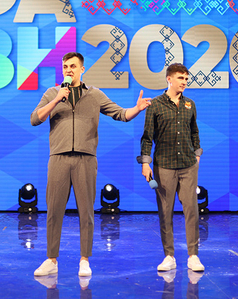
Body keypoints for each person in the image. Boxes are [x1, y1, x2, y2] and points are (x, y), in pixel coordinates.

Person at [31, 52, 151, 277]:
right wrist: (56, 100)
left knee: (86, 211)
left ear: (82, 69)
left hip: (86, 159)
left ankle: (84, 259)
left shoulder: (94, 94)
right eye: (65, 66)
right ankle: (51, 259)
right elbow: (35, 119)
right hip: (58, 157)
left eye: (73, 66)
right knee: (54, 210)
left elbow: (120, 114)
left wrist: (137, 109)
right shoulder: (52, 93)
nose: (68, 70)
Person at [138, 63, 205, 273]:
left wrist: (197, 155)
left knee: (191, 210)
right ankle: (169, 256)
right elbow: (147, 137)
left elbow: (194, 132)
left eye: (186, 78)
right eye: (180, 78)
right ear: (169, 79)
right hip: (164, 166)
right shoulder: (155, 105)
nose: (184, 82)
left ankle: (193, 255)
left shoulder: (190, 104)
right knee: (165, 212)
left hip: (188, 166)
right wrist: (146, 163)